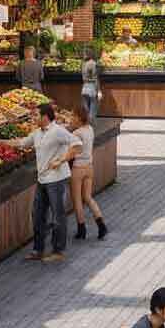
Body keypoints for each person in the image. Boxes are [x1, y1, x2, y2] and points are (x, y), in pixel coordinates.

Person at [15, 101, 77, 260]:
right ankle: (38, 250)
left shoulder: (58, 131)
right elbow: (20, 143)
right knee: (37, 215)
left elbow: (77, 144)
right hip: (42, 180)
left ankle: (58, 251)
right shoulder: (37, 133)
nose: (33, 117)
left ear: (45, 116)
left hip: (57, 180)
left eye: (36, 114)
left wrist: (61, 160)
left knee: (58, 216)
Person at [68, 102, 107, 241]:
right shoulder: (90, 129)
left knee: (77, 200)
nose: (71, 118)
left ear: (79, 117)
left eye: (73, 116)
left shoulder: (76, 133)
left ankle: (81, 229)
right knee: (88, 197)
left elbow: (71, 151)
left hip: (77, 168)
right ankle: (101, 223)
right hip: (89, 167)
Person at [79, 48, 102, 120]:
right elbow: (95, 78)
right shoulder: (93, 64)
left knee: (86, 110)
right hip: (92, 88)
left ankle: (86, 124)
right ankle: (90, 126)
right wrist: (99, 91)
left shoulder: (83, 64)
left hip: (84, 88)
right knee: (93, 109)